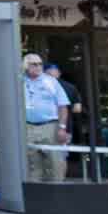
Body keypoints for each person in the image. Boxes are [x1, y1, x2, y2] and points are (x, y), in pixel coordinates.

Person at [20, 51, 71, 185]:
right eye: (34, 64)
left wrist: (62, 128)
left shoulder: (51, 81)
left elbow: (63, 106)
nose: (38, 67)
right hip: (27, 126)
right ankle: (34, 197)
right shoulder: (19, 81)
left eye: (40, 64)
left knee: (55, 163)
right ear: (25, 66)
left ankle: (57, 195)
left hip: (50, 126)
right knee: (32, 164)